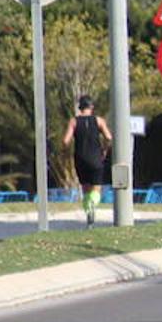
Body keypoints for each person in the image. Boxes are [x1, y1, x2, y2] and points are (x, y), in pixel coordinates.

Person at [62, 95, 112, 227]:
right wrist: (105, 150)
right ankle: (93, 204)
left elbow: (65, 141)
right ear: (92, 107)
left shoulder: (74, 122)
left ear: (80, 108)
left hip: (80, 159)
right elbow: (108, 137)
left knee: (85, 188)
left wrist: (67, 152)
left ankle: (89, 217)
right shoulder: (99, 121)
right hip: (96, 158)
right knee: (97, 189)